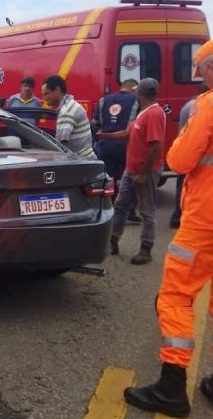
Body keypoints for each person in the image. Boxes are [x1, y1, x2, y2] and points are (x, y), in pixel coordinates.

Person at [123, 39, 213, 418]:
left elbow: (179, 157)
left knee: (175, 296)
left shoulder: (208, 106)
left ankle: (172, 389)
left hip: (205, 218)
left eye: (201, 69)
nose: (199, 77)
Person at [97, 78, 165, 265]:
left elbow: (155, 147)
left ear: (139, 94)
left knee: (147, 210)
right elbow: (128, 132)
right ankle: (113, 241)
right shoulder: (143, 113)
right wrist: (106, 135)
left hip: (145, 171)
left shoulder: (154, 114)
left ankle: (146, 249)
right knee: (120, 206)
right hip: (131, 169)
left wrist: (143, 173)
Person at [92, 79, 142, 223]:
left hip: (106, 144)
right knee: (129, 179)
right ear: (134, 88)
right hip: (127, 145)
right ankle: (130, 211)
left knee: (109, 179)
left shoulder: (103, 100)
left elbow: (95, 124)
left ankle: (109, 211)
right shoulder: (136, 100)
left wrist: (98, 141)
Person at [169, 81, 209, 228]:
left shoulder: (188, 106)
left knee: (181, 185)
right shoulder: (200, 106)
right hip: (194, 156)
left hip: (185, 152)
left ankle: (177, 215)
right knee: (187, 188)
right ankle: (179, 216)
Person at [41, 75, 96, 158]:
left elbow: (59, 146)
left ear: (57, 90)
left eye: (46, 93)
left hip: (81, 164)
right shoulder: (71, 105)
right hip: (86, 160)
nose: (44, 98)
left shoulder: (66, 111)